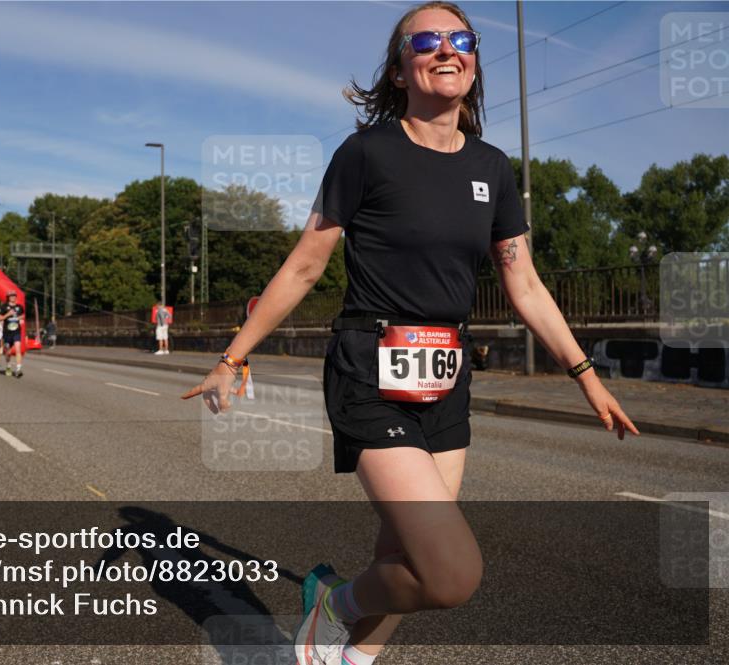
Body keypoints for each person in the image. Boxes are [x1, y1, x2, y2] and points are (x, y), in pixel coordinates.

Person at [181, 4, 640, 664]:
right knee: (451, 571)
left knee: (403, 556)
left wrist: (586, 377)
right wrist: (232, 355)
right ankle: (332, 605)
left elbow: (526, 285)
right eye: (426, 40)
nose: (446, 48)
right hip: (369, 369)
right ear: (400, 70)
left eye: (462, 39)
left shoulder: (492, 167)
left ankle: (346, 659)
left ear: (475, 61)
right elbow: (306, 264)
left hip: (447, 378)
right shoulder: (366, 153)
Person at [0, 291, 24, 377]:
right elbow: (0, 318)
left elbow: (23, 316)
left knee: (18, 349)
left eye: (14, 296)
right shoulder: (4, 307)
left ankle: (18, 368)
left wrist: (19, 317)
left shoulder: (19, 307)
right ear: (8, 297)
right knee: (8, 352)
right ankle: (8, 366)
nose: (13, 297)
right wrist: (8, 314)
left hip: (16, 331)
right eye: (11, 296)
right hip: (7, 333)